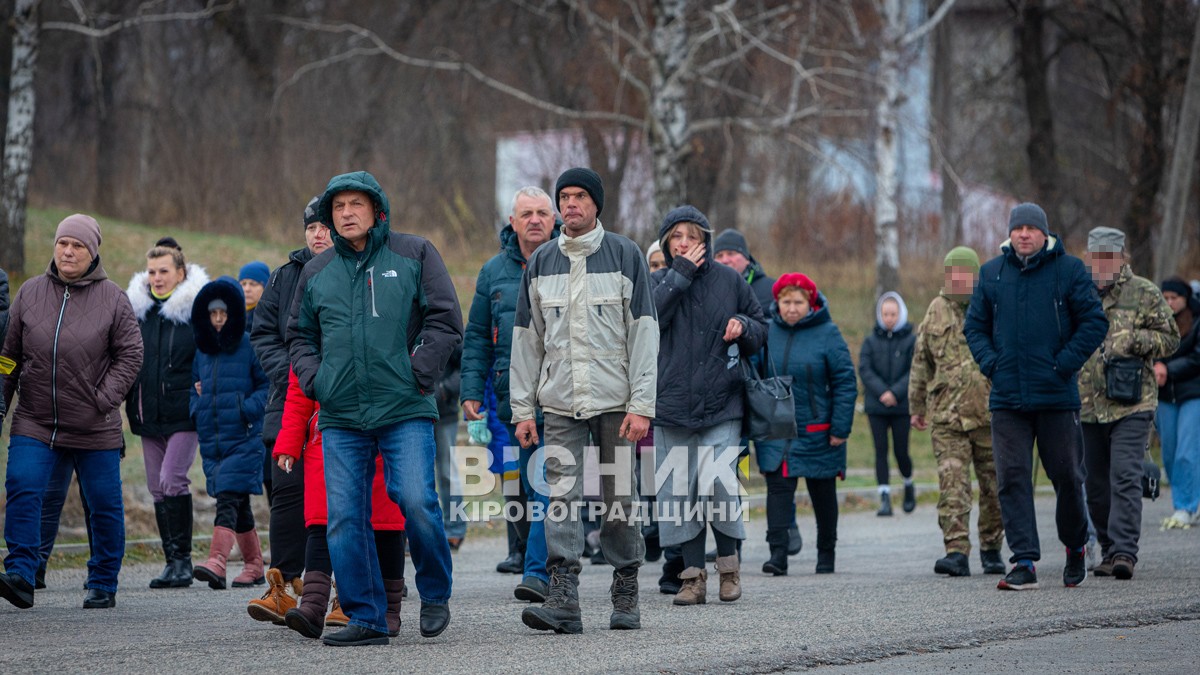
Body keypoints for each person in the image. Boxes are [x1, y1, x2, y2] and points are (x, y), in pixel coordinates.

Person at [287, 171, 462, 646]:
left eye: (355, 204)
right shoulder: (316, 272)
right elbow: (299, 336)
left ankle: (435, 592)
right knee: (343, 518)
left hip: (404, 405)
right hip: (341, 414)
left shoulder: (414, 253)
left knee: (415, 501)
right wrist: (317, 380)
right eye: (337, 206)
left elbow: (446, 319)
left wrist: (417, 372)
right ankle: (365, 616)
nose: (345, 213)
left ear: (377, 209)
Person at [511, 167, 658, 634]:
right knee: (560, 498)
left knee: (618, 499)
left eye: (579, 197)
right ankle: (564, 598)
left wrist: (642, 404)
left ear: (596, 204)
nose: (570, 204)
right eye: (564, 197)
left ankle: (626, 588)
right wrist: (522, 409)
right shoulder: (541, 262)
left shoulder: (625, 254)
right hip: (558, 403)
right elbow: (526, 339)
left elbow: (644, 334)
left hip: (616, 400)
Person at [0, 214, 143, 609]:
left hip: (94, 425)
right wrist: (2, 401)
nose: (68, 251)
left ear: (92, 253)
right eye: (63, 242)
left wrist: (103, 398)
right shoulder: (29, 292)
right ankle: (22, 573)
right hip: (34, 419)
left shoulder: (113, 298)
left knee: (103, 504)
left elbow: (131, 355)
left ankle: (102, 579)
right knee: (24, 487)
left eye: (77, 245)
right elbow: (8, 357)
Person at [964, 202, 1108, 591]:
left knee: (1067, 476)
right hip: (1007, 399)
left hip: (1057, 397)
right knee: (1011, 478)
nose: (1024, 234)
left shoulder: (1069, 270)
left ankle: (1075, 545)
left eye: (1031, 227)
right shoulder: (992, 274)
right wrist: (992, 364)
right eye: (1018, 228)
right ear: (1009, 234)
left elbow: (1094, 322)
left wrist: (1064, 365)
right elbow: (974, 327)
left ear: (1045, 233)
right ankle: (1023, 560)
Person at [651, 205, 766, 605]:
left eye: (693, 237)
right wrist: (678, 275)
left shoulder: (730, 280)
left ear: (706, 242)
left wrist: (745, 327)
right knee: (679, 491)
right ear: (666, 242)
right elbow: (648, 322)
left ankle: (730, 569)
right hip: (671, 405)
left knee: (718, 484)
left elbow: (760, 325)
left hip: (722, 403)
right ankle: (691, 579)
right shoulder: (659, 281)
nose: (685, 243)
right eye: (677, 236)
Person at [461, 186, 559, 602]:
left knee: (547, 482)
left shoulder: (572, 263)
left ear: (554, 220)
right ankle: (539, 556)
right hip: (510, 394)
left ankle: (538, 571)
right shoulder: (492, 272)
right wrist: (471, 390)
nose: (535, 220)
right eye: (527, 214)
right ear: (513, 221)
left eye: (542, 212)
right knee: (518, 490)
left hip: (561, 393)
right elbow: (478, 336)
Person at [246, 196, 332, 623]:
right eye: (311, 227)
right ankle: (282, 586)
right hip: (290, 401)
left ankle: (344, 585)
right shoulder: (284, 276)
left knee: (340, 495)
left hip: (344, 403)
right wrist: (294, 372)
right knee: (286, 490)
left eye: (325, 226)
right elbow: (263, 334)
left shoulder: (359, 270)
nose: (319, 233)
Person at [274, 368, 407, 639]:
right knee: (321, 523)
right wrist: (289, 442)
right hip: (327, 437)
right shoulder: (313, 332)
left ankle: (389, 610)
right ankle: (312, 605)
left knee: (386, 524)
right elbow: (299, 391)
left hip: (385, 429)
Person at [1077, 227, 1178, 580]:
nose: (1102, 264)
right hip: (1088, 405)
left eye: (1109, 257)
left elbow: (1171, 339)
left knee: (1124, 475)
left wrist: (1134, 340)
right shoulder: (1079, 291)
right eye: (1096, 257)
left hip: (1133, 404)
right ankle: (1106, 548)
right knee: (1096, 485)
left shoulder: (1144, 292)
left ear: (1121, 258)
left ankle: (1124, 552)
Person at [909, 246, 1005, 577]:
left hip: (989, 414)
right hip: (947, 417)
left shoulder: (992, 306)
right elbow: (921, 361)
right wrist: (916, 406)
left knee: (994, 487)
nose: (960, 280)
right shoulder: (935, 310)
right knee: (953, 485)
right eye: (954, 275)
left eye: (966, 275)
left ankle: (992, 548)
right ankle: (956, 550)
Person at [754, 273, 857, 576]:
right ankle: (778, 555)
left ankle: (826, 553)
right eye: (786, 301)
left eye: (798, 302)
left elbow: (845, 382)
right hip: (777, 430)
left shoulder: (828, 333)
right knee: (778, 492)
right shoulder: (768, 331)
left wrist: (840, 428)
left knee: (823, 495)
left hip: (818, 431)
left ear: (810, 304)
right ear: (778, 303)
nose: (792, 307)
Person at [713, 229, 803, 559]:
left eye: (731, 255)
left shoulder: (769, 288)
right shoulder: (712, 287)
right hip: (729, 390)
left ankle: (787, 525)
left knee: (773, 463)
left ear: (746, 257)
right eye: (719, 256)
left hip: (764, 386)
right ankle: (731, 542)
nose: (725, 260)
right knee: (730, 467)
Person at [125, 238, 208, 589]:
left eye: (164, 272)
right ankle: (170, 561)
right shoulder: (137, 312)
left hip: (184, 412)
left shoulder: (195, 311)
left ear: (181, 273)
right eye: (152, 272)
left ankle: (184, 562)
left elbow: (211, 352)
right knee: (156, 488)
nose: (157, 278)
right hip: (147, 412)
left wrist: (203, 384)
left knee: (173, 480)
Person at [190, 279, 270, 591]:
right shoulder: (203, 351)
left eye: (224, 313)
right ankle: (254, 565)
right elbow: (193, 388)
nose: (219, 319)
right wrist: (196, 407)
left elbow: (267, 387)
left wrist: (244, 410)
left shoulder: (249, 345)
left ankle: (217, 561)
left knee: (227, 497)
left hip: (245, 438)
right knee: (238, 504)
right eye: (213, 314)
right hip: (214, 441)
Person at [859, 291, 916, 516]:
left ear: (900, 314)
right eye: (885, 314)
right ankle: (884, 498)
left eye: (893, 314)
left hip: (902, 407)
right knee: (880, 450)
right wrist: (882, 392)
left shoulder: (911, 340)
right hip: (877, 406)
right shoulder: (870, 341)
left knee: (901, 451)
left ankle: (908, 484)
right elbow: (865, 369)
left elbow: (914, 370)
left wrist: (895, 393)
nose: (889, 318)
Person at [1156, 277, 1200, 529]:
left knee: (1187, 451)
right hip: (1165, 396)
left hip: (1192, 393)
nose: (1170, 302)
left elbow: (1197, 357)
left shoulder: (1196, 321)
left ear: (1185, 299)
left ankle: (1186, 506)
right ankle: (1183, 500)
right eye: (1166, 298)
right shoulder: (1156, 320)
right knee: (1170, 453)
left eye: (1175, 298)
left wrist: (1167, 369)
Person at [434, 346, 467, 550]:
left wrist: (445, 390)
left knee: (447, 473)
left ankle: (455, 528)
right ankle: (415, 534)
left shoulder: (444, 315)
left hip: (444, 413)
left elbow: (465, 363)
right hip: (410, 413)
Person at [239, 261, 271, 334]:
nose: (247, 289)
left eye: (253, 284)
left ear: (265, 286)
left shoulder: (270, 317)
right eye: (243, 284)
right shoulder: (233, 313)